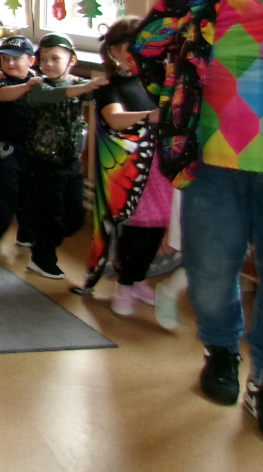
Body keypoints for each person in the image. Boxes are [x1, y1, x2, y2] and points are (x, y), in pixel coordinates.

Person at [132, 0, 263, 430]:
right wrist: (174, 101)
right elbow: (145, 49)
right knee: (211, 272)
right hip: (212, 164)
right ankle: (221, 350)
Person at [74, 18, 169, 315]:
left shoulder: (157, 81)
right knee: (137, 228)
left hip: (160, 165)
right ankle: (125, 283)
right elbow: (114, 119)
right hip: (127, 170)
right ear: (114, 50)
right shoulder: (109, 87)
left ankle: (137, 279)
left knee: (158, 225)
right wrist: (150, 116)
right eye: (131, 44)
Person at [22, 34, 105, 280]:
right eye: (44, 59)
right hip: (43, 164)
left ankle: (43, 238)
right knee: (49, 216)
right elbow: (57, 94)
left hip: (71, 163)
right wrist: (85, 87)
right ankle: (42, 258)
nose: (48, 64)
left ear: (72, 61)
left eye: (55, 58)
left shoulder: (78, 84)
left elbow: (94, 92)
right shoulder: (37, 86)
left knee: (74, 217)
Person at [0, 36, 39, 254]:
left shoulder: (38, 80)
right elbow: (1, 95)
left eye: (16, 58)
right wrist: (27, 87)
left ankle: (27, 233)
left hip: (32, 146)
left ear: (30, 61)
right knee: (3, 191)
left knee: (30, 191)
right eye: (5, 58)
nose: (10, 63)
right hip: (5, 146)